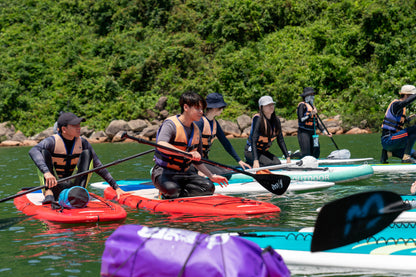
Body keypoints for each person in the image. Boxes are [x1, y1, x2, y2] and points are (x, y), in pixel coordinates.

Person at [29, 112, 124, 204]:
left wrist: (116, 188)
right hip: (54, 186)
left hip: (74, 188)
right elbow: (33, 151)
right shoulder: (51, 142)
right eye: (74, 125)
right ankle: (48, 192)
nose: (79, 127)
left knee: (88, 153)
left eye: (79, 124)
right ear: (64, 129)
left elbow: (98, 166)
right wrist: (47, 173)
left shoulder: (83, 143)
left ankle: (80, 191)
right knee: (42, 152)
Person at [151, 91, 229, 199]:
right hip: (165, 172)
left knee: (208, 187)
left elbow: (198, 161)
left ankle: (178, 193)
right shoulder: (170, 124)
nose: (201, 112)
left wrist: (211, 176)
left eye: (202, 109)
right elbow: (161, 144)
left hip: (185, 173)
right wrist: (186, 153)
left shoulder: (196, 130)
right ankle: (166, 192)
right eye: (198, 109)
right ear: (186, 107)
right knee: (172, 190)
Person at [194, 93, 251, 177]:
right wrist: (199, 169)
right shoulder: (199, 122)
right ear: (215, 108)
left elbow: (225, 143)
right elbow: (191, 145)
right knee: (224, 174)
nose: (222, 110)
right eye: (222, 108)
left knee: (228, 173)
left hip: (205, 161)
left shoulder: (214, 123)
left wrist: (239, 160)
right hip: (195, 162)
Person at [244, 95, 291, 168]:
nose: (271, 107)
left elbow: (280, 140)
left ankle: (255, 162)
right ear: (261, 108)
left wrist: (287, 157)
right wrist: (255, 160)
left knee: (277, 163)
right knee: (269, 164)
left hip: (263, 152)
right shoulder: (258, 120)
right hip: (251, 152)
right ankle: (250, 163)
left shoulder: (276, 121)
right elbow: (254, 140)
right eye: (267, 105)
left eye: (272, 104)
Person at [381, 85, 416, 164]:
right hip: (388, 139)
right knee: (414, 129)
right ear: (407, 95)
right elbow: (406, 102)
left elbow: (396, 123)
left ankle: (387, 154)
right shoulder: (396, 105)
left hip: (395, 142)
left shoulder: (401, 108)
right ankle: (406, 158)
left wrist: (407, 119)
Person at [296, 87, 332, 159]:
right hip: (304, 132)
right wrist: (310, 114)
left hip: (313, 133)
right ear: (305, 96)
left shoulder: (313, 107)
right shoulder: (302, 105)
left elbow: (316, 122)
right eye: (310, 95)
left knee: (316, 153)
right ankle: (293, 156)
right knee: (307, 154)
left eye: (313, 95)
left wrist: (325, 132)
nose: (312, 97)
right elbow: (301, 119)